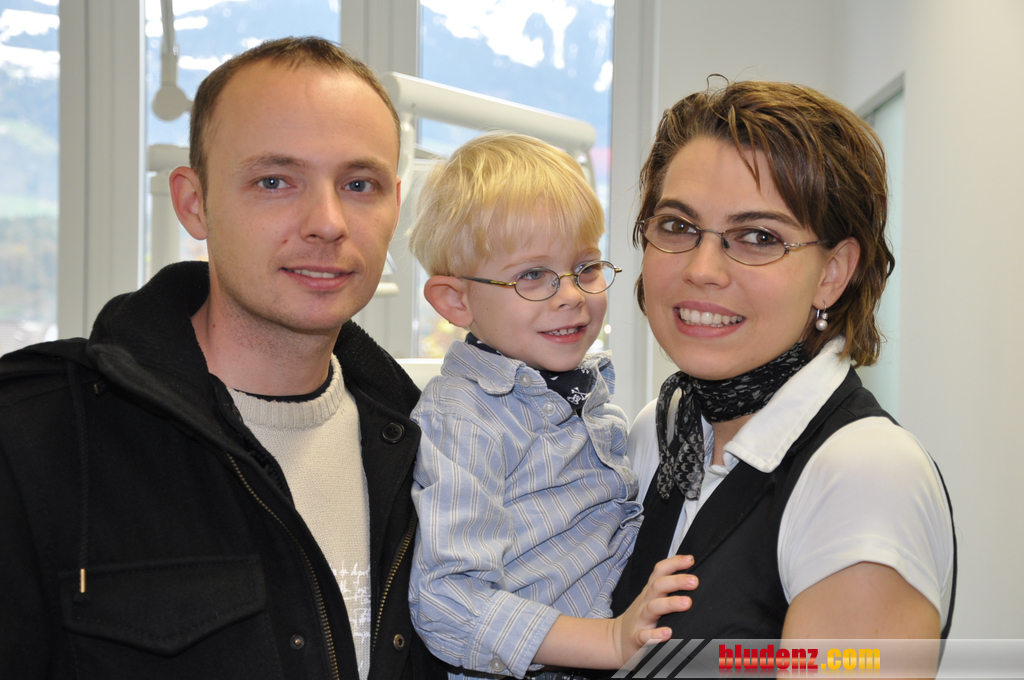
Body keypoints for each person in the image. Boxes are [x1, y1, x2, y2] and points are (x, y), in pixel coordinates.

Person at [0, 37, 444, 680]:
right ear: (194, 203)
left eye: (359, 184)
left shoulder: (436, 445)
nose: (328, 222)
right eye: (274, 181)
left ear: (395, 207)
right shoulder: (36, 437)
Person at [610, 81, 956, 657]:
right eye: (677, 226)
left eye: (758, 237)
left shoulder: (863, 475)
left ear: (832, 273)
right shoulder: (663, 429)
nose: (702, 268)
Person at [405, 133, 695, 679]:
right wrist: (608, 641)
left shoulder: (586, 393)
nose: (572, 295)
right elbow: (446, 602)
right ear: (455, 301)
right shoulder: (465, 418)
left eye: (586, 267)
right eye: (532, 275)